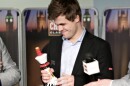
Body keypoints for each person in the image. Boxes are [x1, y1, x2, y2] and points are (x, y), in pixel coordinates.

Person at [41, 0, 114, 86]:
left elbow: (106, 81)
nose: (59, 29)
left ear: (76, 18)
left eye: (63, 24)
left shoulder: (100, 46)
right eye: (57, 25)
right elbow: (48, 77)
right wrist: (45, 78)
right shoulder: (53, 44)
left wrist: (77, 81)